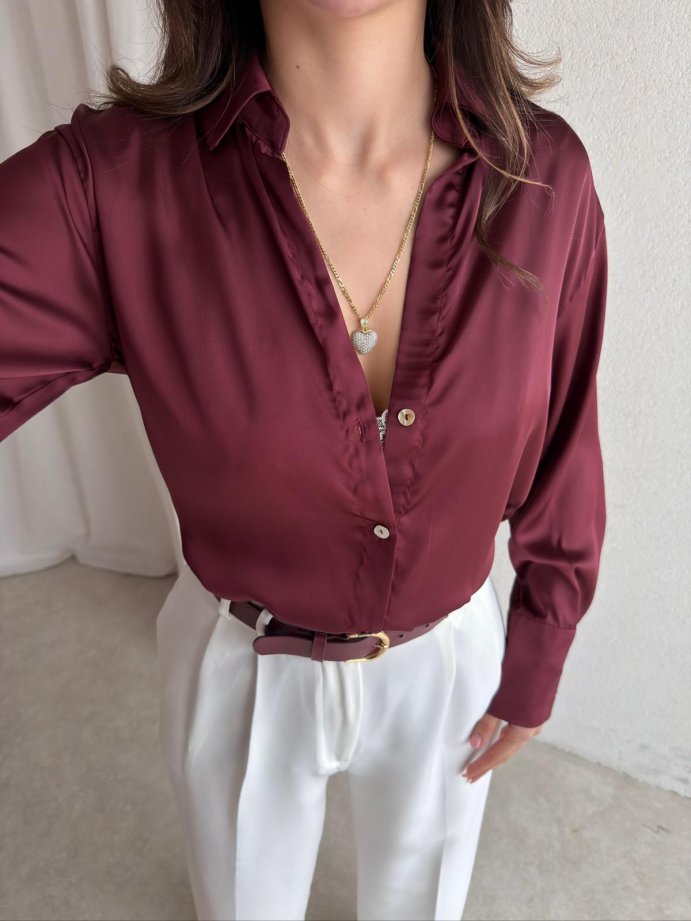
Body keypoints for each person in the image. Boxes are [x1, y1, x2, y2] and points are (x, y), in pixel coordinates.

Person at [0, 1, 608, 919]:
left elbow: (566, 433)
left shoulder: (543, 174)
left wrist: (543, 641)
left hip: (449, 658)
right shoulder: (111, 185)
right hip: (239, 659)